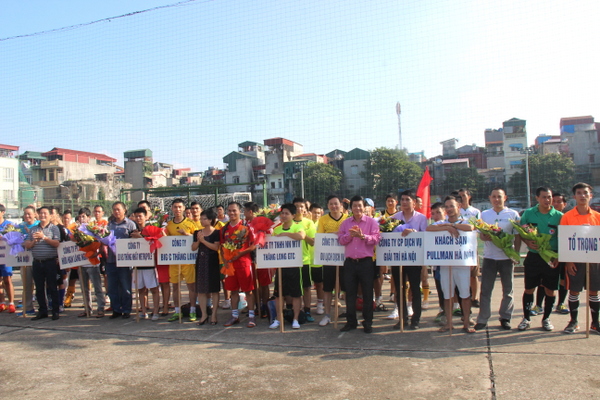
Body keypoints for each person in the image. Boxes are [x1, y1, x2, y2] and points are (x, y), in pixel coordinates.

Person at [427, 196, 476, 333]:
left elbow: (471, 227)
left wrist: (453, 226)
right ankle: (449, 323)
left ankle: (466, 323)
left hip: (462, 264)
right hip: (445, 264)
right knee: (447, 295)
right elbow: (429, 228)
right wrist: (447, 226)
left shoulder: (464, 221)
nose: (449, 209)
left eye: (451, 206)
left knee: (465, 295)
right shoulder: (441, 223)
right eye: (447, 207)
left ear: (458, 207)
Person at [516, 187, 562, 332]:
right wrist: (528, 242)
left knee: (550, 290)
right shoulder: (529, 214)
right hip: (534, 257)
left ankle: (546, 318)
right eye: (544, 197)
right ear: (537, 198)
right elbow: (521, 232)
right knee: (529, 288)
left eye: (549, 197)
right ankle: (526, 318)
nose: (547, 200)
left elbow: (564, 238)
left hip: (551, 258)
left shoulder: (559, 216)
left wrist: (558, 257)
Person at [475, 188, 521, 331]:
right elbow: (480, 234)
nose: (496, 199)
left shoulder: (513, 214)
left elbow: (518, 235)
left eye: (499, 197)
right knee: (486, 290)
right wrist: (485, 236)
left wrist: (515, 254)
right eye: (494, 197)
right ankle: (483, 318)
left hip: (506, 257)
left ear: (505, 198)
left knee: (508, 290)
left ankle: (505, 317)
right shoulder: (485, 214)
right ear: (490, 198)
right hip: (489, 257)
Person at [560, 182, 600, 334]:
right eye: (579, 193)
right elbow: (564, 240)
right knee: (574, 291)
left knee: (594, 292)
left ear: (591, 195)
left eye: (585, 193)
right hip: (574, 260)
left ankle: (595, 323)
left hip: (594, 260)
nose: (582, 196)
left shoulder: (597, 217)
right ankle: (573, 322)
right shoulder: (567, 217)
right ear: (574, 196)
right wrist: (568, 261)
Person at [338, 195, 381, 333]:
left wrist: (363, 236)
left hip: (366, 263)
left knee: (368, 293)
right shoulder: (345, 223)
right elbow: (341, 240)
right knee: (350, 294)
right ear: (351, 208)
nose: (357, 208)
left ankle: (367, 322)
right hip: (350, 263)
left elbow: (376, 239)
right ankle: (351, 322)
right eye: (354, 206)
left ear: (364, 207)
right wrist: (350, 236)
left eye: (360, 206)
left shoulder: (371, 222)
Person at [390, 190, 428, 330]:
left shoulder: (421, 218)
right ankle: (402, 318)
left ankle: (415, 319)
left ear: (414, 202)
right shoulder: (394, 218)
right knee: (399, 290)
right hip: (398, 259)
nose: (404, 202)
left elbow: (425, 237)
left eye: (407, 199)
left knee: (414, 289)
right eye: (402, 199)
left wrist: (414, 233)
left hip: (414, 259)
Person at [269, 203, 306, 330]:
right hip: (280, 266)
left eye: (287, 213)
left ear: (293, 215)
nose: (284, 216)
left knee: (296, 294)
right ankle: (279, 318)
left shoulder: (298, 226)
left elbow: (301, 236)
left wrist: (286, 235)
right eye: (282, 213)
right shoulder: (276, 229)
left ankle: (296, 319)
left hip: (294, 265)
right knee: (279, 294)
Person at [220, 202, 256, 328]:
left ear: (240, 211)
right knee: (233, 291)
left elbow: (253, 245)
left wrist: (240, 254)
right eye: (229, 211)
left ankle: (251, 316)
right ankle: (234, 316)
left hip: (244, 263)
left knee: (248, 291)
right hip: (230, 265)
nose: (231, 213)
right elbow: (221, 246)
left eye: (234, 210)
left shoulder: (246, 226)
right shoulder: (224, 228)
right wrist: (225, 260)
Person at [24, 206, 61, 321]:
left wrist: (44, 237)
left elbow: (56, 243)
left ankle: (55, 310)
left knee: (52, 286)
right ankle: (42, 311)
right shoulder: (34, 229)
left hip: (49, 262)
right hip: (37, 262)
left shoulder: (54, 228)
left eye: (45, 213)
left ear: (50, 215)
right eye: (40, 213)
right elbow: (27, 245)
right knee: (39, 288)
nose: (43, 215)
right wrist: (35, 241)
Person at [317, 195, 348, 326]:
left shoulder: (348, 218)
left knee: (347, 287)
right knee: (328, 288)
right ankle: (327, 315)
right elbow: (320, 237)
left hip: (346, 258)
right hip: (329, 258)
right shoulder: (323, 220)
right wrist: (332, 235)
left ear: (341, 205)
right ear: (328, 206)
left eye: (336, 203)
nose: (334, 206)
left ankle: (348, 313)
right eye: (331, 204)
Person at [165, 198, 198, 322]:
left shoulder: (190, 223)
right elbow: (166, 241)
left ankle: (193, 310)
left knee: (191, 287)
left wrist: (187, 234)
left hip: (188, 261)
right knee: (175, 287)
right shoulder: (168, 225)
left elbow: (197, 239)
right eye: (175, 207)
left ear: (184, 208)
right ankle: (177, 311)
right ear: (172, 208)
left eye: (180, 207)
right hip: (174, 261)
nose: (177, 209)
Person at [106, 202, 137, 319]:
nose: (116, 212)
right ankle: (116, 309)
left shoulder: (130, 224)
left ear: (124, 210)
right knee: (112, 287)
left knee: (125, 287)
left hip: (125, 261)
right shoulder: (109, 225)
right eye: (114, 209)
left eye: (118, 209)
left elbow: (134, 242)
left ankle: (126, 309)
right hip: (111, 260)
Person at [191, 209, 221, 326]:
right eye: (201, 218)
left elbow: (216, 247)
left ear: (210, 220)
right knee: (201, 290)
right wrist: (199, 241)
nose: (202, 221)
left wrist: (204, 241)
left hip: (212, 261)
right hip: (201, 261)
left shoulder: (216, 233)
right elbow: (193, 248)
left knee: (214, 289)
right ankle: (204, 314)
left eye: (204, 218)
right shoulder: (197, 232)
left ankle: (214, 314)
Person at [130, 207, 161, 320]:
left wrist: (141, 238)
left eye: (140, 216)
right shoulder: (132, 231)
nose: (138, 218)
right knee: (141, 289)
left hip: (150, 264)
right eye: (136, 216)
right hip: (137, 265)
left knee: (153, 289)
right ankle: (143, 311)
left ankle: (156, 311)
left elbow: (154, 242)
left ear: (145, 217)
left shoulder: (151, 229)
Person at [76, 207, 107, 318]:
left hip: (92, 262)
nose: (81, 218)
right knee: (84, 288)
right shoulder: (75, 230)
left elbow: (101, 242)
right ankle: (87, 309)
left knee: (97, 287)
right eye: (79, 216)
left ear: (89, 217)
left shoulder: (94, 229)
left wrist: (96, 252)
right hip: (81, 262)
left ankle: (100, 308)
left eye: (83, 216)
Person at [244, 201, 272, 318]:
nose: (243, 214)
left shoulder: (264, 222)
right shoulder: (245, 224)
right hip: (250, 256)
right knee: (254, 283)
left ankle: (265, 306)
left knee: (264, 284)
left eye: (244, 212)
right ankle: (257, 305)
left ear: (250, 212)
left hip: (264, 256)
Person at [293, 197, 317, 322]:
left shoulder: (309, 223)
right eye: (296, 206)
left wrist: (303, 236)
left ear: (305, 209)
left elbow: (313, 242)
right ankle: (292, 311)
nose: (299, 208)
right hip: (290, 261)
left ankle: (307, 310)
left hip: (305, 260)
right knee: (292, 288)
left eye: (301, 206)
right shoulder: (286, 221)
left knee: (307, 287)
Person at [458, 188, 482, 309]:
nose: (462, 198)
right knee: (461, 274)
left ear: (469, 197)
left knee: (474, 274)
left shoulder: (475, 211)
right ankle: (463, 297)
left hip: (471, 246)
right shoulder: (457, 210)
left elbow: (477, 227)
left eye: (464, 195)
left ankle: (475, 297)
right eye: (460, 196)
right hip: (458, 246)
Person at [17, 206, 38, 315]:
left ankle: (44, 306)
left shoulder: (39, 225)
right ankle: (28, 307)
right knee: (27, 284)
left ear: (35, 214)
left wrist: (30, 233)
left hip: (38, 258)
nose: (27, 216)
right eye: (25, 213)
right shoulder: (20, 226)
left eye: (29, 213)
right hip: (24, 259)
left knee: (40, 284)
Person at [551, 192, 570, 314]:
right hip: (550, 252)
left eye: (559, 202)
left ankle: (561, 303)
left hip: (565, 252)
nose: (556, 204)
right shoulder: (549, 216)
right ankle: (539, 305)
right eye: (554, 201)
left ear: (565, 204)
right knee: (546, 279)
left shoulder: (567, 217)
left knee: (563, 279)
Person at [429, 202, 448, 325]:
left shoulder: (454, 223)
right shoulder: (432, 226)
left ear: (445, 213)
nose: (436, 216)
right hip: (438, 264)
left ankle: (461, 311)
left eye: (439, 213)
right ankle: (443, 310)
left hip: (453, 263)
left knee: (455, 289)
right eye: (433, 214)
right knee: (440, 288)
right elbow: (429, 229)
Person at [0, 204, 16, 313]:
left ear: (3, 212)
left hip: (5, 256)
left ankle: (11, 302)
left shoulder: (8, 225)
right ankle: (2, 302)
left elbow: (15, 238)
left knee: (7, 279)